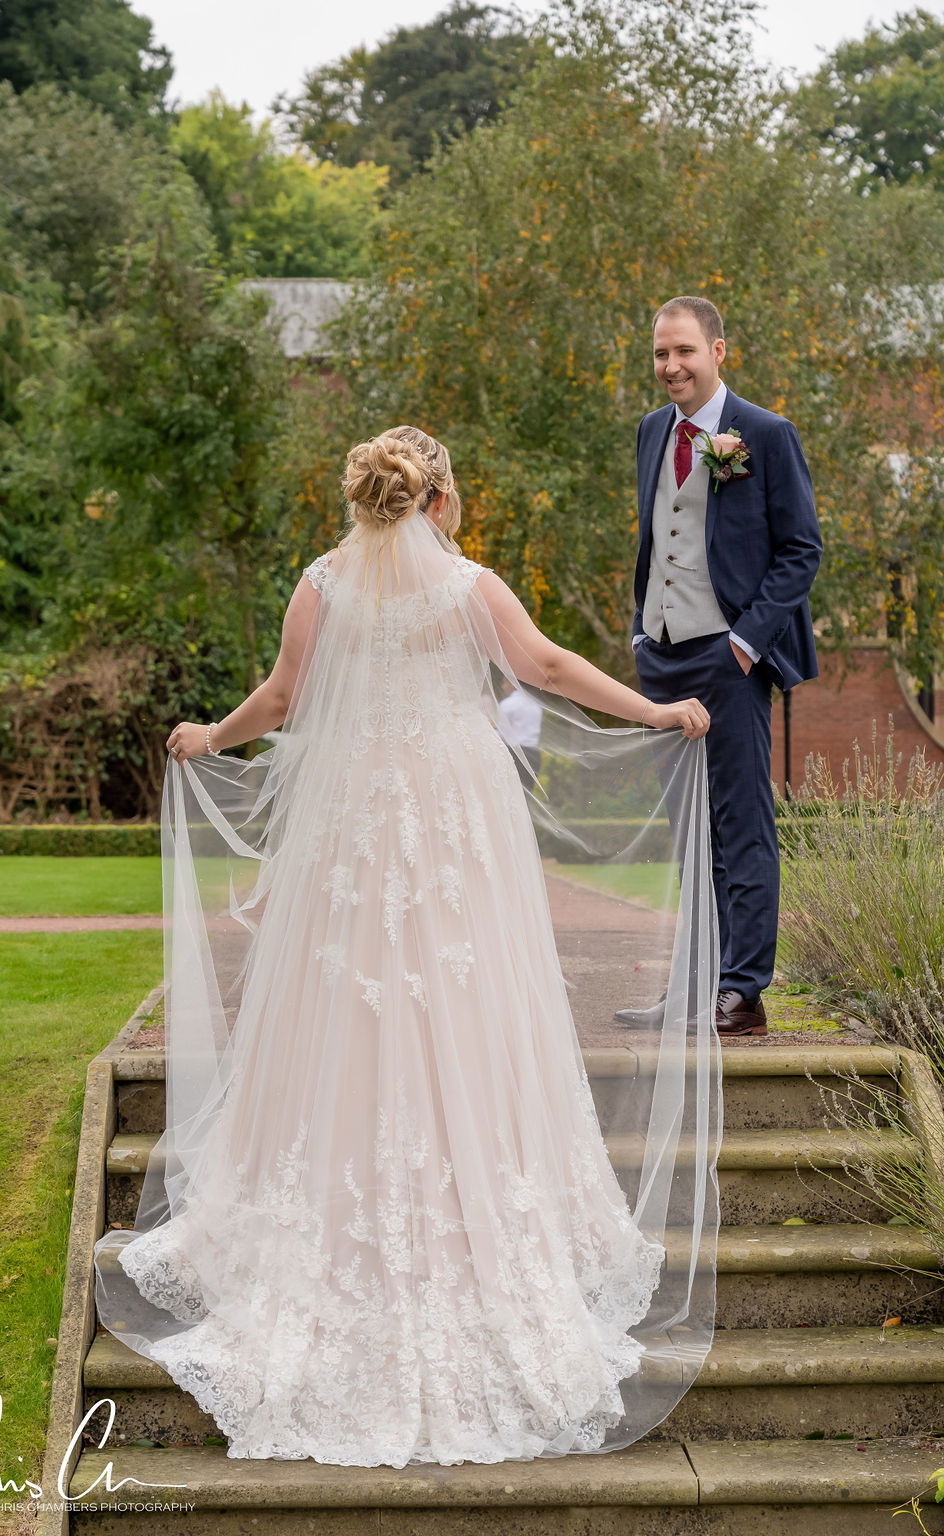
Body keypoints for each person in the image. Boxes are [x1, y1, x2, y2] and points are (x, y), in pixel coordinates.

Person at [92, 426, 722, 1470]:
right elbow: (550, 666)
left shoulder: (321, 585)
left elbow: (285, 698)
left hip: (351, 819)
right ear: (437, 499)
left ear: (365, 499)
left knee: (340, 1000)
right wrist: (654, 706)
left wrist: (212, 733)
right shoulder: (467, 588)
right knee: (470, 999)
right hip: (453, 821)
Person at [621, 296, 822, 1039]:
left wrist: (744, 643)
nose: (671, 367)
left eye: (685, 352)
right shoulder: (650, 432)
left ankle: (743, 993)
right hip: (663, 657)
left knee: (741, 828)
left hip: (729, 657)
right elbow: (656, 541)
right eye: (660, 354)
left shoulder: (765, 435)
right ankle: (692, 987)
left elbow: (802, 549)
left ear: (718, 351)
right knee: (687, 833)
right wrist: (642, 635)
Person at [496, 678, 544, 791]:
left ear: (513, 684)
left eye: (505, 682)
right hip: (533, 754)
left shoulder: (508, 704)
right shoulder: (535, 705)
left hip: (514, 754)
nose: (503, 686)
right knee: (527, 794)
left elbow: (502, 734)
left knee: (511, 792)